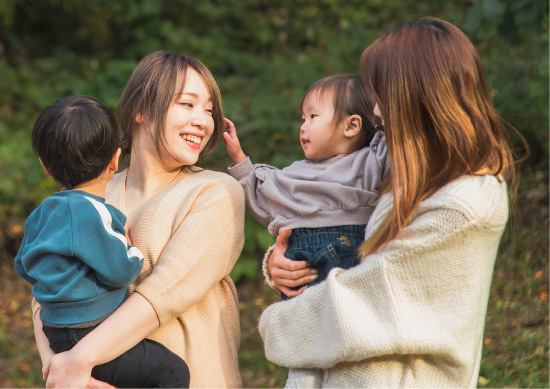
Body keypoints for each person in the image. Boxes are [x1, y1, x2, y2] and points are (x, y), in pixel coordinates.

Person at [259, 17, 520, 387]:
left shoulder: (463, 204)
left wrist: (277, 323)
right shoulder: (405, 173)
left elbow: (370, 301)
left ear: (418, 98)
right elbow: (343, 233)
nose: (377, 113)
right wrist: (285, 261)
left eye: (382, 98)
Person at [34, 51, 246, 388]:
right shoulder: (92, 191)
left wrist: (78, 360)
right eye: (187, 104)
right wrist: (59, 370)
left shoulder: (216, 192)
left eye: (209, 110)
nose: (204, 121)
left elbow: (165, 292)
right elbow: (45, 289)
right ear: (141, 109)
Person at [16, 95, 190, 388]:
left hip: (55, 331)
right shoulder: (96, 212)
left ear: (46, 166)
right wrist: (131, 247)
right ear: (115, 157)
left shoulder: (40, 214)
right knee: (172, 371)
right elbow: (123, 270)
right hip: (90, 330)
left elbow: (23, 266)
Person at [224, 74, 389, 301]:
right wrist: (239, 157)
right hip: (302, 274)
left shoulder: (372, 159)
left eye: (313, 116)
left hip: (361, 267)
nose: (303, 127)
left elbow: (406, 143)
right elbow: (262, 195)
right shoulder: (296, 175)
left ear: (351, 125)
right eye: (303, 119)